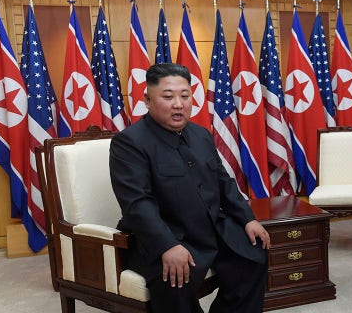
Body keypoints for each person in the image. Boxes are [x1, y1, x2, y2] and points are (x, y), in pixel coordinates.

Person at [109, 63, 270, 313]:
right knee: (175, 282)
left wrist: (247, 219)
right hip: (167, 235)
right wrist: (166, 245)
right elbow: (137, 204)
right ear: (148, 100)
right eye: (168, 96)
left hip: (211, 228)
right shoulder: (129, 142)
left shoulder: (200, 134)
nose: (178, 104)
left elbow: (223, 181)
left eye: (185, 96)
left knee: (254, 254)